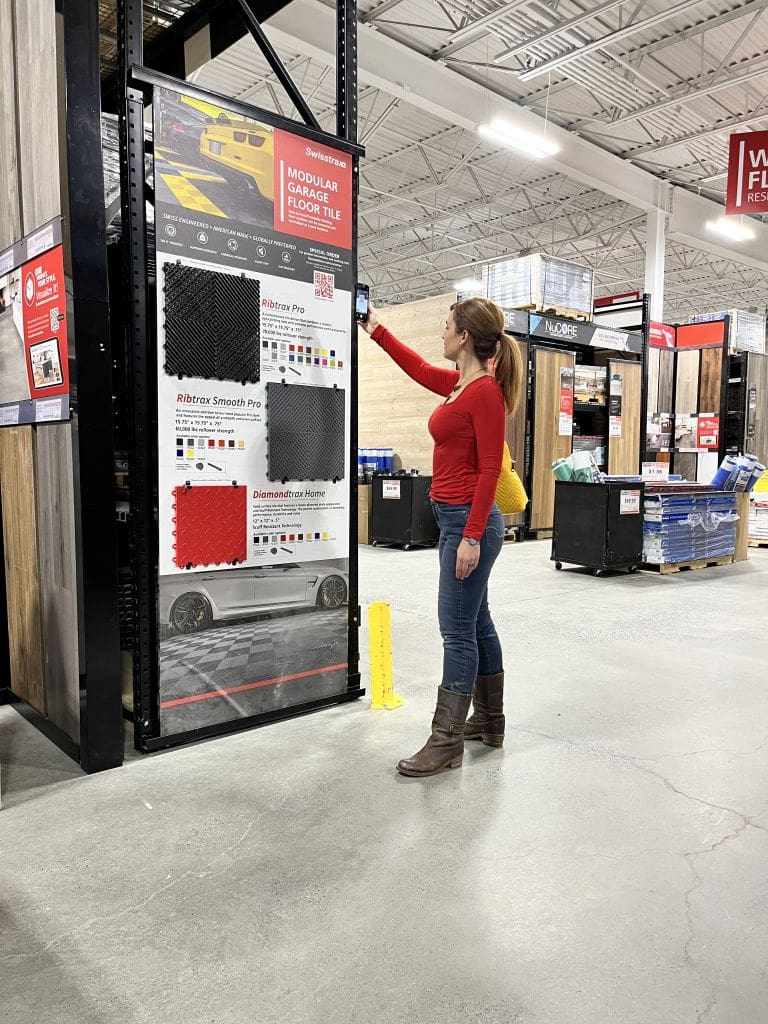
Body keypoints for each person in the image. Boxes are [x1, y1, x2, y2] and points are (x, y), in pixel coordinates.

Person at [361, 297, 524, 777]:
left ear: (466, 338)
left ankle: (446, 741)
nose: (442, 334)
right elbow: (418, 369)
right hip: (457, 521)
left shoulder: (485, 394)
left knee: (456, 630)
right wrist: (377, 330)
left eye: (447, 327)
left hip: (468, 526)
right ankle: (489, 722)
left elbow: (490, 467)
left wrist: (471, 536)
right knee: (477, 624)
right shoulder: (460, 385)